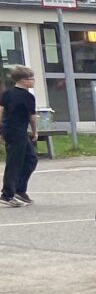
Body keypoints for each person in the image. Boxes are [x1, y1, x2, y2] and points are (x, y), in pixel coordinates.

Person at [1, 64, 38, 206]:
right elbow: (32, 117)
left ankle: (19, 189)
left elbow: (1, 111)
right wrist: (35, 131)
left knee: (31, 159)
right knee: (15, 162)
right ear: (23, 80)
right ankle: (7, 194)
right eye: (31, 79)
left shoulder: (7, 93)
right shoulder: (28, 97)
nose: (33, 81)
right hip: (17, 131)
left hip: (11, 130)